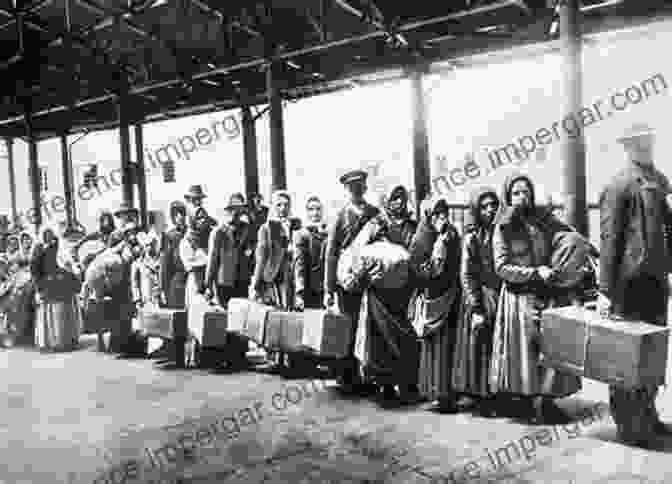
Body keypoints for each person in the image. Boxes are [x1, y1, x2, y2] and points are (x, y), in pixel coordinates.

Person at [598, 123, 672, 445]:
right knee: (626, 354)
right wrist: (604, 289)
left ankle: (648, 414)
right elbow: (609, 238)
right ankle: (628, 424)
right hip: (628, 283)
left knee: (653, 352)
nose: (646, 146)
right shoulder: (619, 184)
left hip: (655, 280)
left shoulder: (658, 180)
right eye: (639, 142)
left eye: (648, 141)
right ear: (627, 146)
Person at [489, 173, 581, 423]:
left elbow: (566, 234)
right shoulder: (503, 226)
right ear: (508, 196)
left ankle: (549, 401)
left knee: (551, 349)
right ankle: (527, 403)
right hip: (519, 298)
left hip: (546, 292)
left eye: (526, 192)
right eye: (516, 193)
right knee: (525, 353)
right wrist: (532, 272)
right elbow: (501, 267)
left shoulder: (543, 219)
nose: (522, 197)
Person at [323, 169, 380, 393]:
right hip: (346, 280)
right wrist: (329, 287)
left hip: (368, 277)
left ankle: (369, 374)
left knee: (369, 326)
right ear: (346, 190)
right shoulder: (340, 216)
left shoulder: (374, 213)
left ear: (364, 188)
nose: (356, 191)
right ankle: (347, 376)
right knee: (349, 326)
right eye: (351, 188)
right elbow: (332, 252)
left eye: (360, 187)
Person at [451, 187, 501, 416]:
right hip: (479, 296)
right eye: (484, 206)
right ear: (476, 210)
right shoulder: (472, 237)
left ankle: (497, 392)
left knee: (495, 346)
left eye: (493, 205)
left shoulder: (500, 233)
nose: (490, 210)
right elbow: (467, 273)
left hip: (497, 294)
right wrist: (476, 305)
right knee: (478, 346)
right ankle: (480, 396)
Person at [409, 197, 462, 411]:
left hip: (451, 295)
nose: (442, 218)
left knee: (450, 345)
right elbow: (422, 272)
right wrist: (439, 245)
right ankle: (436, 392)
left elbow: (458, 261)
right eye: (436, 214)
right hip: (432, 299)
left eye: (444, 212)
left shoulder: (453, 234)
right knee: (434, 347)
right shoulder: (421, 239)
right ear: (428, 216)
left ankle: (451, 391)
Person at [250, 190, 302, 371]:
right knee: (275, 316)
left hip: (293, 276)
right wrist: (256, 283)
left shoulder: (297, 226)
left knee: (291, 314)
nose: (282, 209)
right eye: (278, 205)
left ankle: (290, 356)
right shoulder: (266, 228)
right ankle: (274, 358)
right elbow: (261, 257)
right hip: (274, 277)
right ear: (273, 207)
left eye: (286, 205)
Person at [204, 193, 254, 369]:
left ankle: (239, 355)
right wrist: (208, 285)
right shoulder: (218, 232)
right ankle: (223, 355)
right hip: (223, 281)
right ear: (227, 211)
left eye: (238, 210)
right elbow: (212, 259)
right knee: (225, 316)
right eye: (232, 210)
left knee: (240, 317)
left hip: (241, 280)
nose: (235, 214)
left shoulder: (247, 229)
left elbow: (251, 254)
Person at [31, 226, 82, 352]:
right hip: (46, 283)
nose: (48, 236)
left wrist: (68, 272)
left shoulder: (60, 247)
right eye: (45, 234)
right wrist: (39, 285)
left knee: (64, 309)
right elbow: (35, 268)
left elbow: (67, 263)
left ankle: (66, 340)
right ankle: (51, 342)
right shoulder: (38, 248)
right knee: (49, 311)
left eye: (50, 234)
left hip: (62, 282)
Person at [293, 196, 328, 311]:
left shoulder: (328, 234)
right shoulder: (302, 234)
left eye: (318, 209)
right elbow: (299, 265)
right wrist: (300, 293)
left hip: (325, 288)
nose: (315, 213)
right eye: (311, 209)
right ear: (307, 212)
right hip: (308, 288)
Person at [161, 201, 188, 309]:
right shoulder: (169, 236)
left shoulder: (190, 233)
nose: (180, 217)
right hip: (177, 282)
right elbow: (165, 266)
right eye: (176, 214)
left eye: (182, 213)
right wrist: (164, 289)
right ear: (173, 217)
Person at [179, 220, 209, 310]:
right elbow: (191, 263)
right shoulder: (185, 242)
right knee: (193, 305)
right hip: (194, 276)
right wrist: (204, 258)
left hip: (202, 277)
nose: (194, 235)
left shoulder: (199, 241)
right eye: (192, 232)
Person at [131, 232, 162, 309]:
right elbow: (134, 283)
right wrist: (137, 299)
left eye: (152, 244)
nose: (150, 247)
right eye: (147, 245)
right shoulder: (138, 263)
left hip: (159, 298)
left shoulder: (160, 260)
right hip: (146, 298)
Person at [184, 185, 217, 249]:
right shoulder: (188, 214)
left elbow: (213, 223)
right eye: (194, 199)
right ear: (189, 200)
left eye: (199, 199)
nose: (197, 202)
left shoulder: (203, 212)